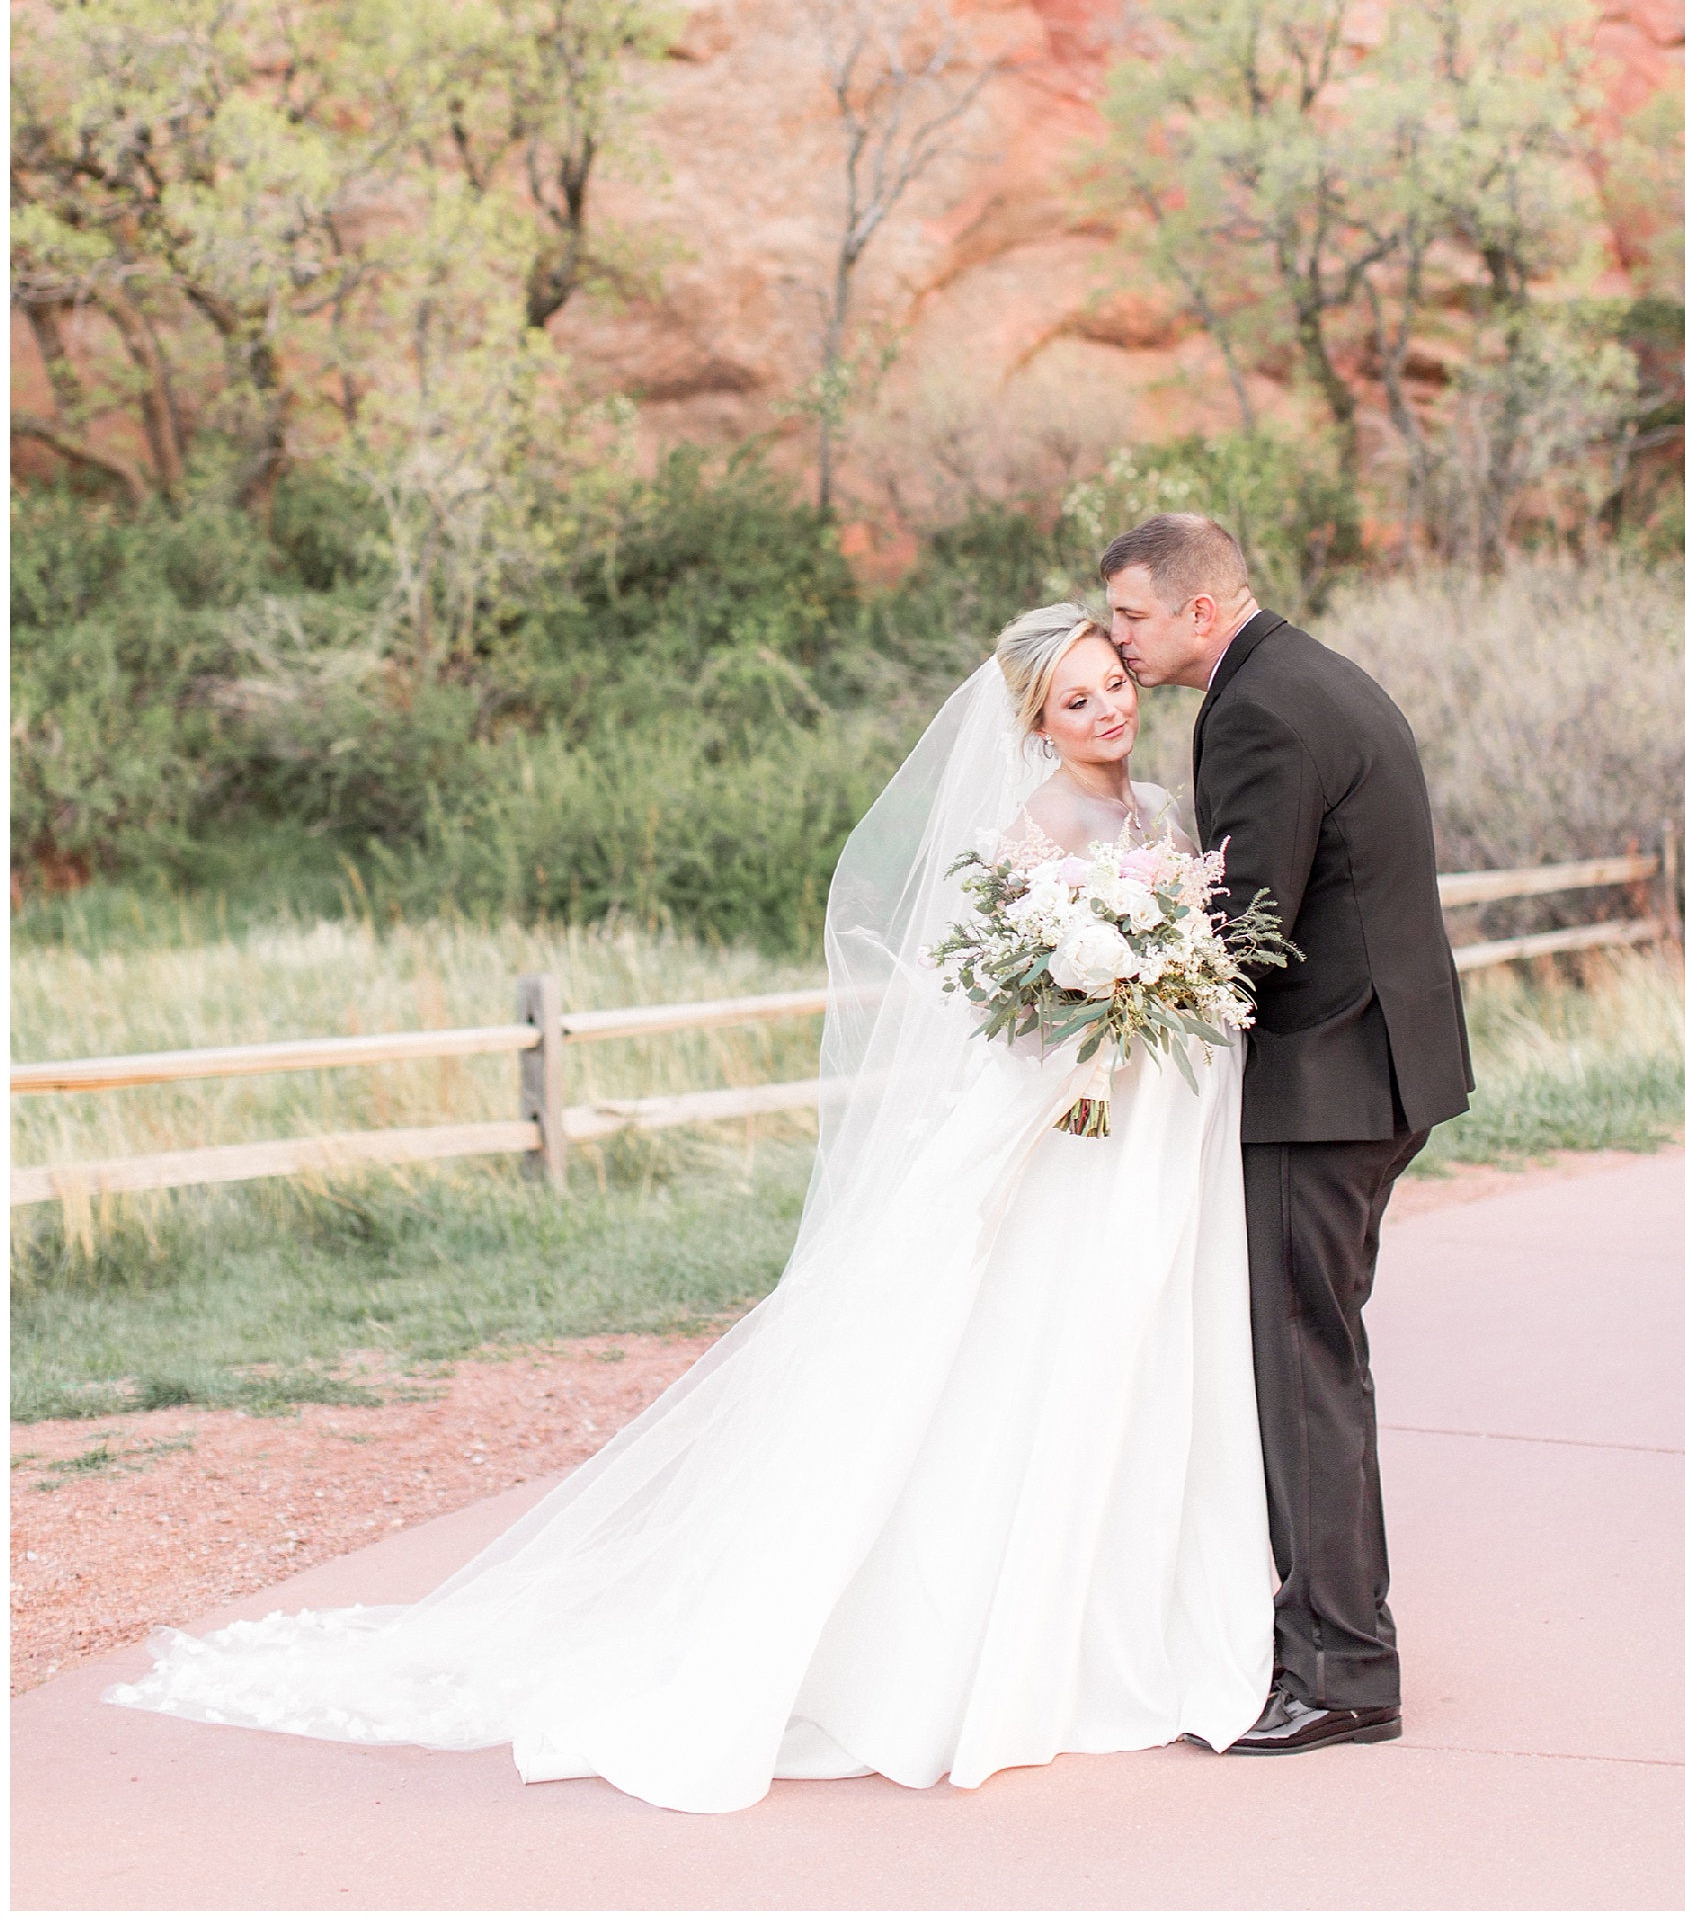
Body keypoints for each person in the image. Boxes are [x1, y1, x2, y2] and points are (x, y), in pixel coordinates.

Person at [107, 605, 1274, 1811]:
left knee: (1104, 1352)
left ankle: (1093, 1622)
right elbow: (1005, 1001)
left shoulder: (1158, 813)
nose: (1107, 710)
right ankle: (945, 1646)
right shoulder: (1037, 825)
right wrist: (1097, 987)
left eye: (1111, 686)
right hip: (1052, 1126)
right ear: (1037, 721)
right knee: (1005, 1354)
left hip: (1136, 1131)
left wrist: (1155, 982)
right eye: (1076, 699)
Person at [1103, 513, 1473, 1758]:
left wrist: (1127, 1000)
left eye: (1135, 616)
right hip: (1376, 1063)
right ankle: (1323, 1630)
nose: (1120, 637)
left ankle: (1343, 1669)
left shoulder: (1257, 708)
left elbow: (1247, 927)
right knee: (1312, 1351)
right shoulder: (1308, 669)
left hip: (1326, 1084)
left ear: (1202, 610)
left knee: (1302, 1361)